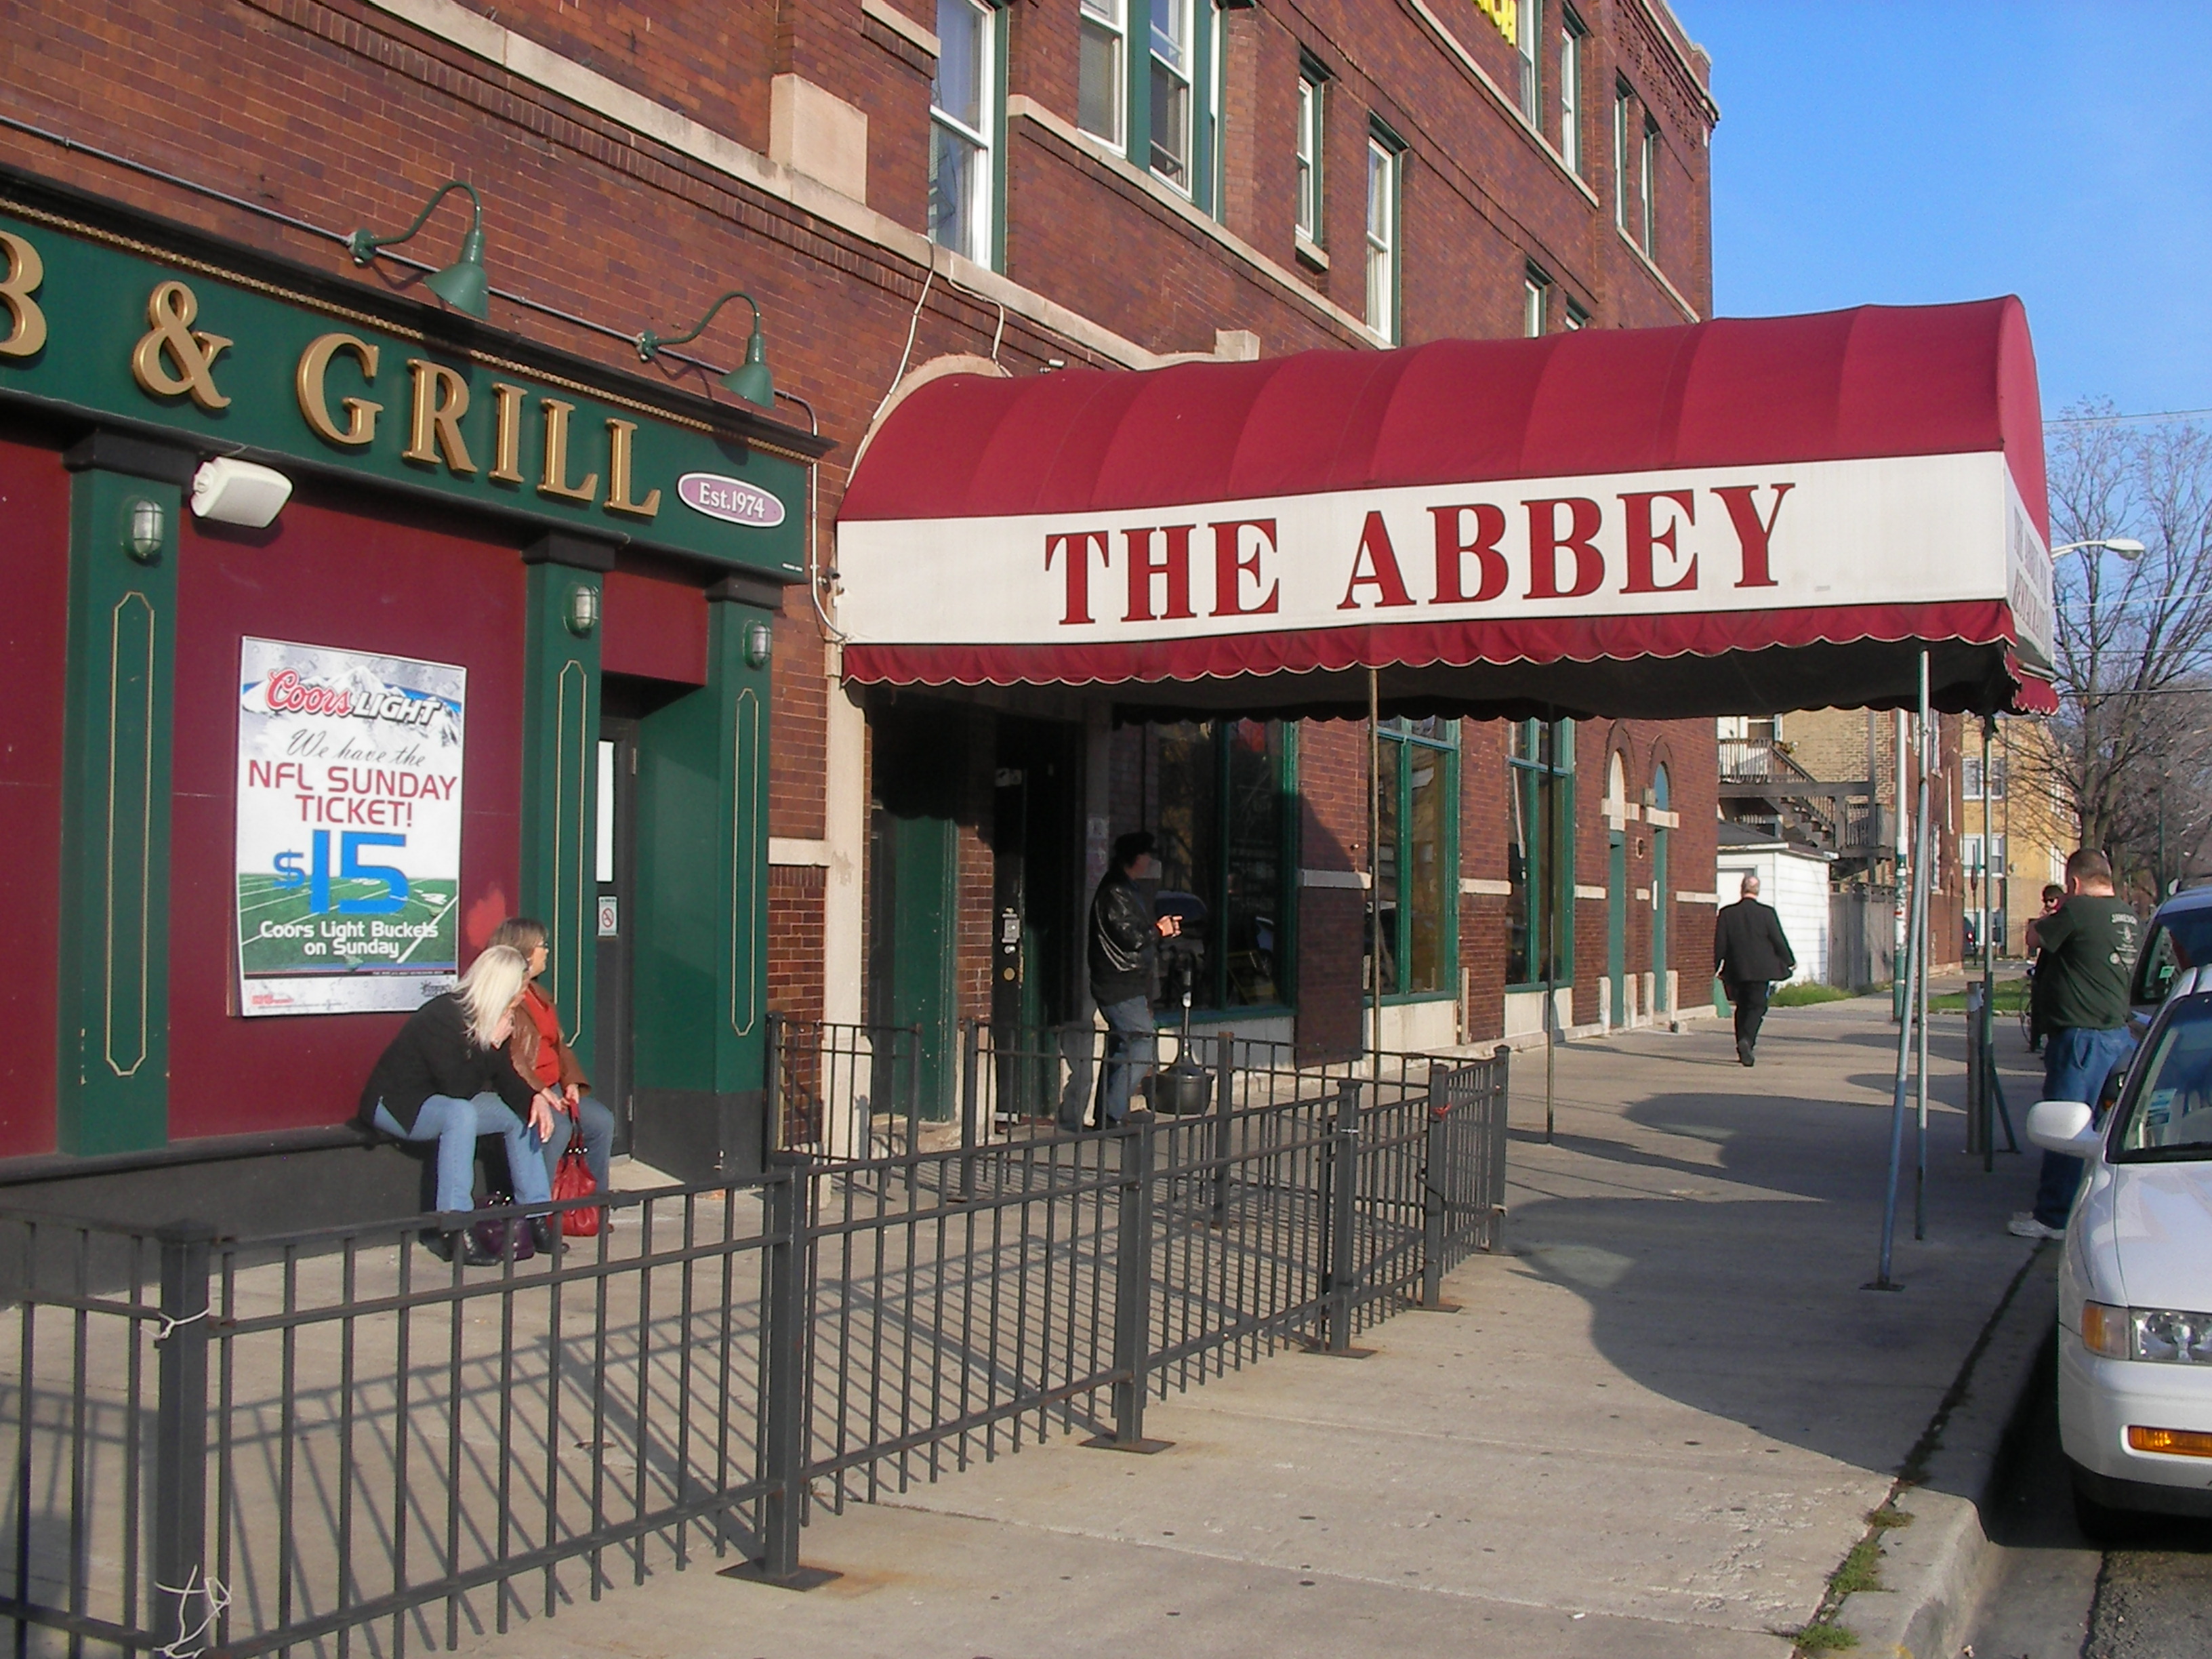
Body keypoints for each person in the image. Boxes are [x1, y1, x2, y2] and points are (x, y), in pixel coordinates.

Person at [359, 945, 560, 1265]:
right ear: (499, 988)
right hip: (399, 1106)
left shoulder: (496, 1017)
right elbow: (457, 1088)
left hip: (446, 1104)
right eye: (518, 990)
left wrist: (533, 1098)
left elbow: (505, 1075)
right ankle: (454, 1227)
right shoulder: (443, 1016)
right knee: (461, 1113)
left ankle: (536, 1215)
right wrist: (490, 1043)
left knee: (518, 1114)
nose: (521, 998)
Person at [2009, 851, 2142, 1240]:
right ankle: (2090, 1208)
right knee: (2103, 1131)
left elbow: (2033, 938)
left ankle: (2053, 1215)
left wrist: (2056, 911)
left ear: (2075, 883)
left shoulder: (2079, 910)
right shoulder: (2128, 917)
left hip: (2081, 1036)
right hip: (2117, 1032)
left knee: (2066, 1126)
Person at [488, 916, 615, 1208]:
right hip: (530, 1090)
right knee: (557, 1129)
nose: (547, 951)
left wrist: (570, 1082)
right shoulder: (507, 998)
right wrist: (539, 1093)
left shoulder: (538, 994)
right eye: (542, 946)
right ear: (525, 952)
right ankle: (539, 1210)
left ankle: (591, 1205)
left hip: (555, 1087)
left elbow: (559, 1045)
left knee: (601, 1122)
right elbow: (513, 1060)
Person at [1061, 830, 1181, 1131]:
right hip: (1119, 982)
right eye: (1146, 855)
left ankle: (1107, 1114)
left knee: (1120, 1046)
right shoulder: (1116, 891)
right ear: (1135, 857)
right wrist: (1159, 930)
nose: (1150, 861)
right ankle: (1113, 1115)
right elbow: (1131, 936)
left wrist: (1159, 932)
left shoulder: (1126, 889)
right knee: (1141, 1044)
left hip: (1126, 980)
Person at [1713, 872, 1796, 1067]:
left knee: (1741, 1007)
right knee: (1758, 1006)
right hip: (1761, 970)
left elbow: (1720, 943)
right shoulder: (1767, 913)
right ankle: (1747, 1040)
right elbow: (1778, 939)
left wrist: (1716, 966)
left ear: (1742, 890)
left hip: (1736, 969)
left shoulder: (1727, 914)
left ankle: (1742, 1040)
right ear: (1757, 891)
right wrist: (1789, 960)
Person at [2025, 882, 2064, 1054]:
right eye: (2045, 901)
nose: (2048, 905)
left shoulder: (2064, 917)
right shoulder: (2047, 918)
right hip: (2046, 963)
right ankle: (2037, 1040)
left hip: (2057, 966)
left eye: (2051, 900)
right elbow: (2033, 940)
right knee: (2039, 1001)